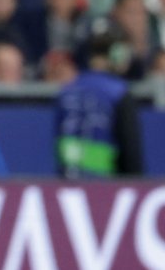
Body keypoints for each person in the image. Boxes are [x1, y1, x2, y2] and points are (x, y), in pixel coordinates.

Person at [55, 33, 143, 178]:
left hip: (67, 184)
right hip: (107, 188)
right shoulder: (119, 93)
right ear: (116, 54)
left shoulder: (66, 92)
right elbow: (131, 154)